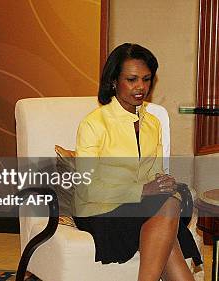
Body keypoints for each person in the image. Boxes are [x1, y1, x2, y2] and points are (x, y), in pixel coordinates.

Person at [73, 43, 202, 281]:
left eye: (146, 79)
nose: (140, 87)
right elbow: (87, 187)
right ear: (114, 81)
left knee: (168, 209)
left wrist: (163, 183)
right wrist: (142, 190)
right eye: (132, 79)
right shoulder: (94, 124)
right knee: (168, 210)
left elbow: (155, 174)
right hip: (101, 211)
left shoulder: (152, 123)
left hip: (142, 207)